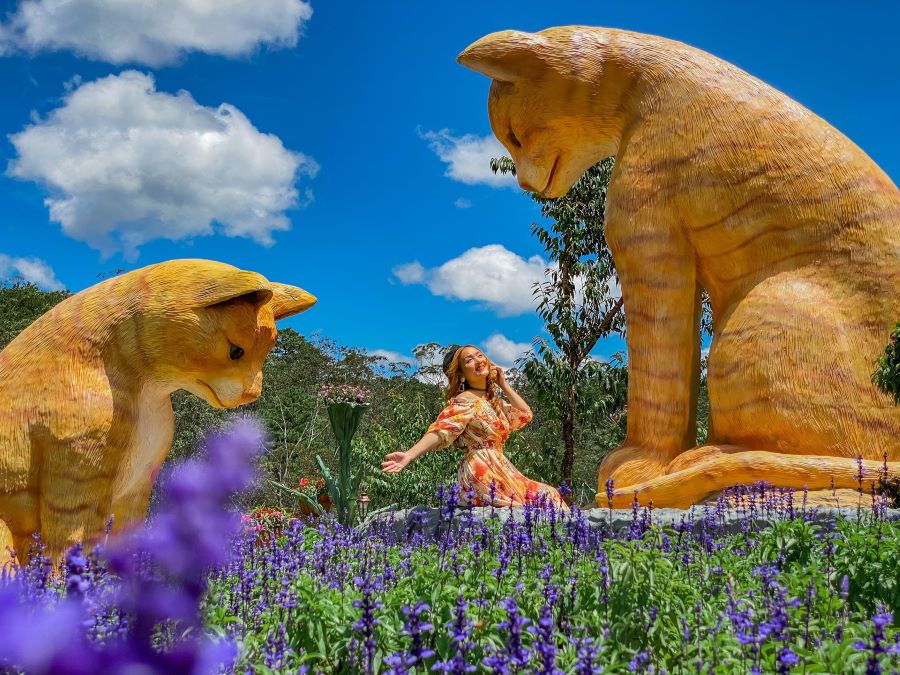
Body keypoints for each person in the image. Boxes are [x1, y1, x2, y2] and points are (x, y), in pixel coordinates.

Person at [381, 344, 568, 509]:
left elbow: (525, 415)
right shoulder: (465, 400)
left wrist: (503, 384)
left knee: (549, 494)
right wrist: (410, 455)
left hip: (500, 465)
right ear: (461, 374)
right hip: (480, 467)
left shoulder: (494, 403)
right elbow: (442, 430)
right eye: (469, 360)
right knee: (530, 503)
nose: (478, 360)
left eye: (480, 355)